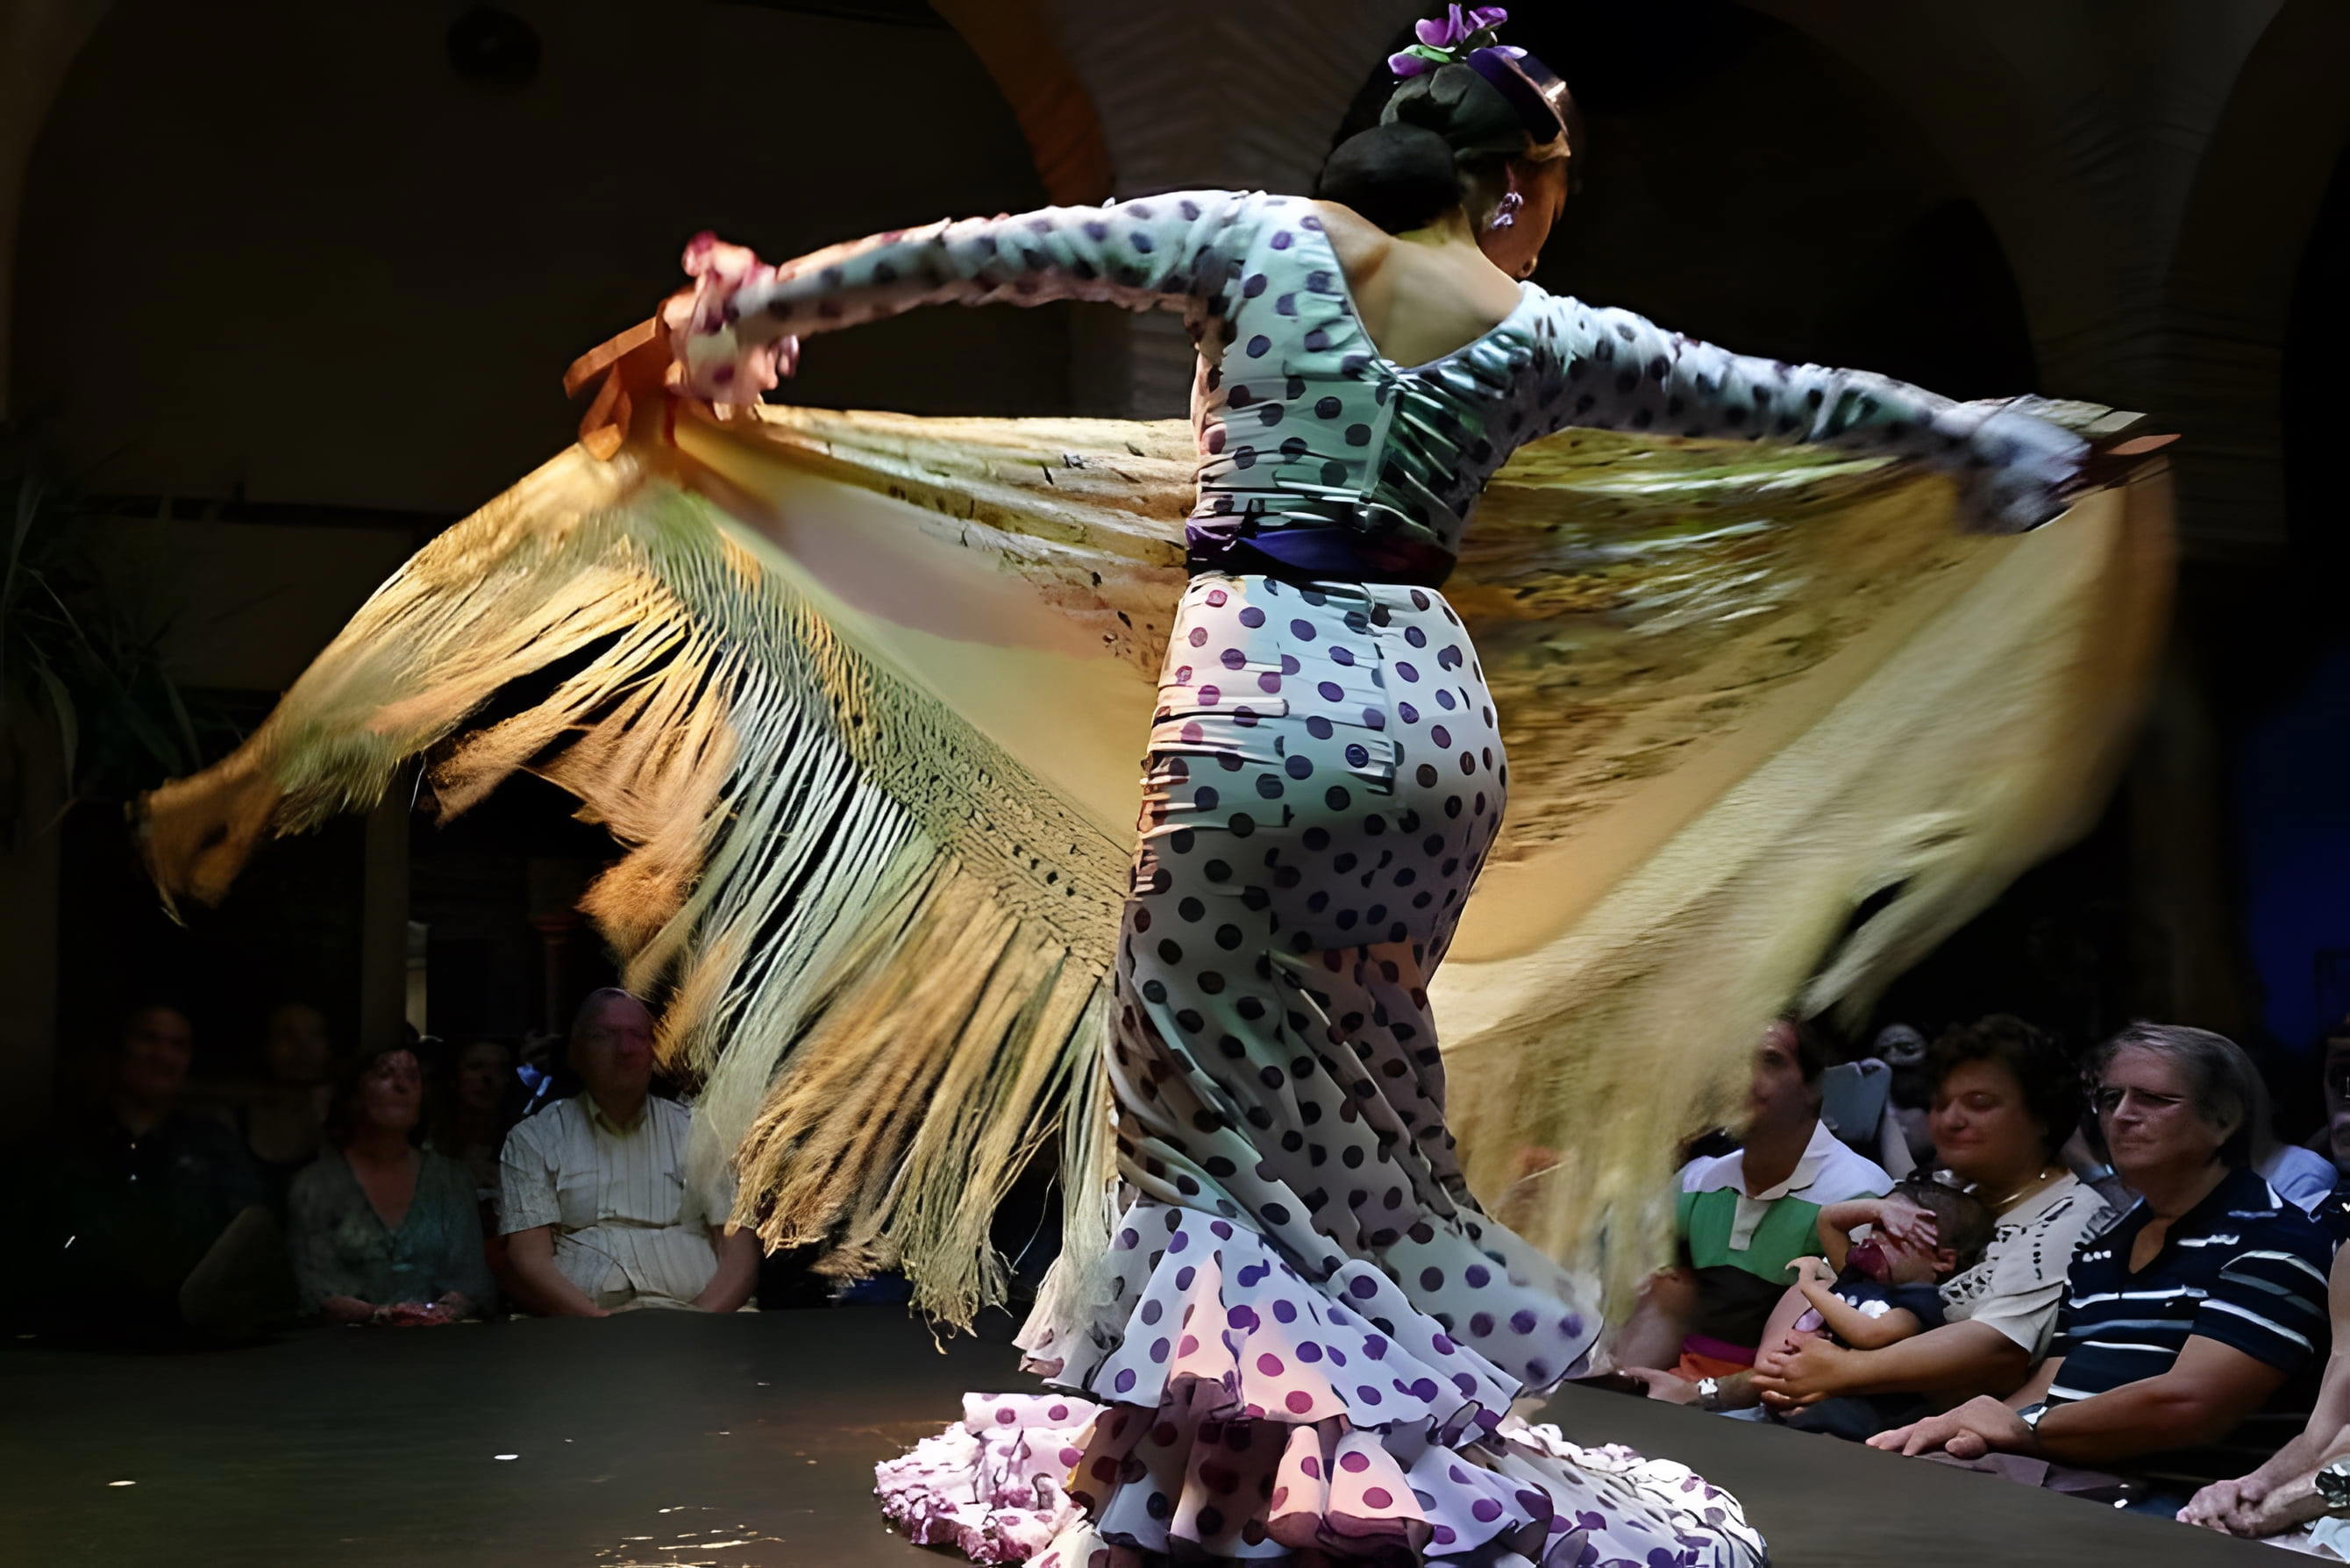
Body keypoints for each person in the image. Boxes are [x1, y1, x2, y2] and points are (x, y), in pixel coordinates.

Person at [660, 11, 2119, 1556]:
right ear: (1506, 184)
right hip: (1428, 732)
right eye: (1556, 188)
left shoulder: (1251, 241)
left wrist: (753, 311)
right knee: (1356, 1108)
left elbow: (995, 251)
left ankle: (1204, 1495)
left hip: (1259, 710)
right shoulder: (1538, 327)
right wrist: (1980, 438)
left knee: (1199, 1111)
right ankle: (1320, 1454)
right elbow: (1776, 394)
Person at [1869, 1023, 2332, 1510]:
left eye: (2152, 1099)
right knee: (1894, 1477)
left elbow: (2190, 1406)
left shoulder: (2273, 1238)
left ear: (2224, 1119)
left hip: (2185, 1502)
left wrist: (2021, 1427)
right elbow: (2051, 1384)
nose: (2122, 1116)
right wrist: (1963, 1431)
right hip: (2071, 1477)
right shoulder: (2108, 1245)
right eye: (2111, 1098)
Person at [1745, 1015, 2117, 1421]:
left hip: (1937, 1433)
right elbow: (1842, 1279)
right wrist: (1761, 1373)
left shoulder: (2071, 1217)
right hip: (1827, 1399)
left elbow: (1996, 1347)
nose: (1951, 1120)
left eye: (1979, 1104)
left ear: (2042, 1115)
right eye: (1941, 1103)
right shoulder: (1936, 1188)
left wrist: (1845, 1371)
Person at [1612, 1018, 1895, 1384]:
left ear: (1812, 1087)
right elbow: (1654, 1309)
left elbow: (1848, 1350)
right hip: (1674, 1393)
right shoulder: (1696, 1181)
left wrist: (1704, 1395)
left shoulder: (1861, 1194)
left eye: (1770, 1061)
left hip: (1780, 1408)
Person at [2, 1003, 283, 1341]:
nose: (162, 1055)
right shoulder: (58, 1145)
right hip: (72, 1344)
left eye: (178, 1045)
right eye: (148, 1039)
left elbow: (250, 1241)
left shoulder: (215, 1149)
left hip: (193, 1349)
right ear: (119, 1049)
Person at [496, 989, 758, 1315]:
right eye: (603, 1036)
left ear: (654, 1052)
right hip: (581, 1330)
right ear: (575, 1053)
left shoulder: (701, 1131)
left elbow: (739, 1250)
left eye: (637, 1035)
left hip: (702, 1324)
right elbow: (529, 1257)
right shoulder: (534, 1138)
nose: (625, 1049)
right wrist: (600, 1324)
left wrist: (701, 1321)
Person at [286, 1039, 494, 1323]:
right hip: (338, 1351)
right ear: (355, 1093)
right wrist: (382, 1315)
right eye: (385, 1075)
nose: (402, 1086)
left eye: (413, 1077)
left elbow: (470, 1278)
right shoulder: (315, 1185)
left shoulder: (449, 1180)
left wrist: (446, 1310)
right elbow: (315, 1288)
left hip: (440, 1348)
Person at [427, 1036, 522, 1205]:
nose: (488, 1077)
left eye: (500, 1069)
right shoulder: (428, 1145)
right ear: (454, 1077)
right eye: (476, 1067)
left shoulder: (523, 1142)